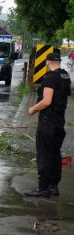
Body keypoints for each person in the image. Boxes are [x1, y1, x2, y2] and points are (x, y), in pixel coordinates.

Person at [24, 52, 71, 197]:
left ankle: (42, 188)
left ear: (47, 62)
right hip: (59, 120)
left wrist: (33, 108)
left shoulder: (51, 77)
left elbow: (46, 101)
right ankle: (53, 187)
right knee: (55, 154)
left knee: (44, 154)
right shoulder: (65, 76)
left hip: (48, 122)